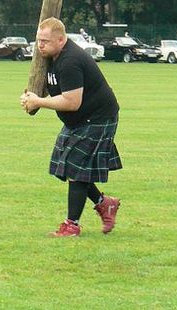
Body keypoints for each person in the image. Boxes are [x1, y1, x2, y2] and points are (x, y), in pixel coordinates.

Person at [20, 17, 122, 237]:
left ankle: (71, 225)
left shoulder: (70, 60)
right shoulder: (48, 58)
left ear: (61, 39)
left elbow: (71, 102)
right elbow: (53, 88)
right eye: (38, 41)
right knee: (71, 167)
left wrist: (38, 101)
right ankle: (105, 203)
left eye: (45, 41)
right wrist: (31, 97)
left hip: (98, 117)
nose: (40, 46)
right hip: (80, 119)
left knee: (76, 169)